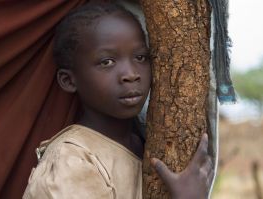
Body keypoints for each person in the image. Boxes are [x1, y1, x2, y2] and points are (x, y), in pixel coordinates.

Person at [23, 2, 214, 199]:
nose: (131, 74)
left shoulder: (150, 142)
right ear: (69, 80)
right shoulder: (72, 161)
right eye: (107, 62)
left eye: (140, 57)